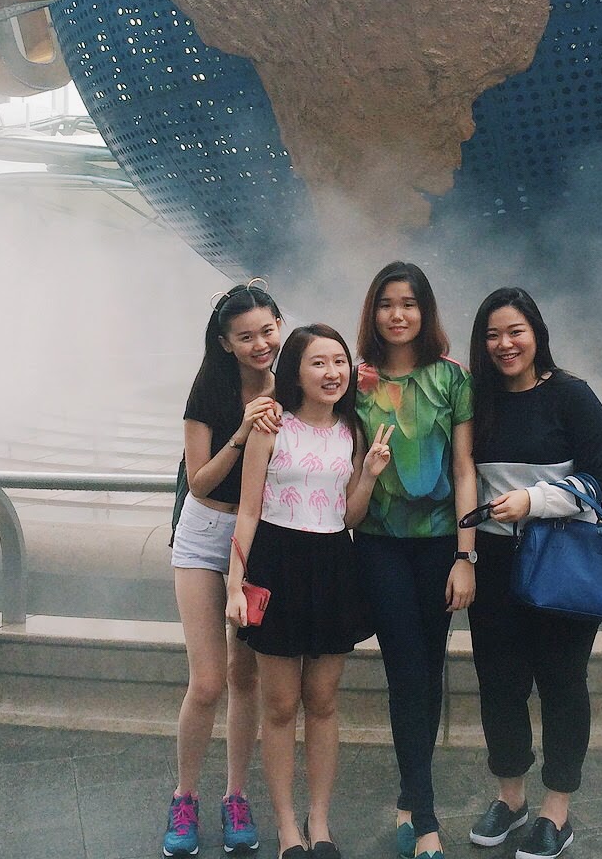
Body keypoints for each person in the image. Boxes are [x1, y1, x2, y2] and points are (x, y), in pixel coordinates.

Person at [227, 324, 392, 859]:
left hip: (332, 564)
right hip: (277, 562)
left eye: (339, 362)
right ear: (295, 371)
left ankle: (319, 820)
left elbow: (349, 515)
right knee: (279, 705)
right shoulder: (271, 426)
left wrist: (369, 475)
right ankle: (286, 825)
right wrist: (235, 585)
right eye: (319, 363)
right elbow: (248, 510)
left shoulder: (352, 431)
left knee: (322, 702)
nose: (332, 373)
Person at [464, 288, 602, 859]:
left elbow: (599, 479)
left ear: (536, 334)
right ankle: (511, 799)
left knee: (561, 682)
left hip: (560, 558)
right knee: (499, 682)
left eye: (515, 332)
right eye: (493, 335)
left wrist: (535, 501)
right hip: (494, 561)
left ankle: (556, 810)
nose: (505, 344)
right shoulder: (478, 401)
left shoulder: (572, 397)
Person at [352, 261, 476, 859]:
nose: (397, 315)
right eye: (386, 304)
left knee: (428, 671)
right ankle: (425, 821)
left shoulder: (452, 378)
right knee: (405, 671)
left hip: (438, 546)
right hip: (379, 545)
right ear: (372, 312)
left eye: (408, 303)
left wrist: (466, 554)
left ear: (425, 312)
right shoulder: (356, 381)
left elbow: (464, 470)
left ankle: (410, 798)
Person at [165, 282, 283, 858]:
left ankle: (236, 796)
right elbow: (198, 481)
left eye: (268, 331)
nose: (261, 344)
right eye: (246, 336)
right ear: (225, 342)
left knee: (245, 676)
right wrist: (241, 431)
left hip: (258, 537)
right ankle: (184, 796)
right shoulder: (209, 389)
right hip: (204, 532)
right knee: (208, 681)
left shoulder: (289, 385)